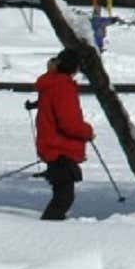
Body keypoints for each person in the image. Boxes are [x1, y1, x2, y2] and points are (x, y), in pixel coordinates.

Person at [34, 50, 96, 220]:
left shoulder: (52, 83)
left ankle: (51, 231)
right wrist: (87, 131)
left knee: (63, 196)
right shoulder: (63, 87)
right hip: (60, 149)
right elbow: (69, 123)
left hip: (52, 146)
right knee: (63, 198)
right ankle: (46, 235)